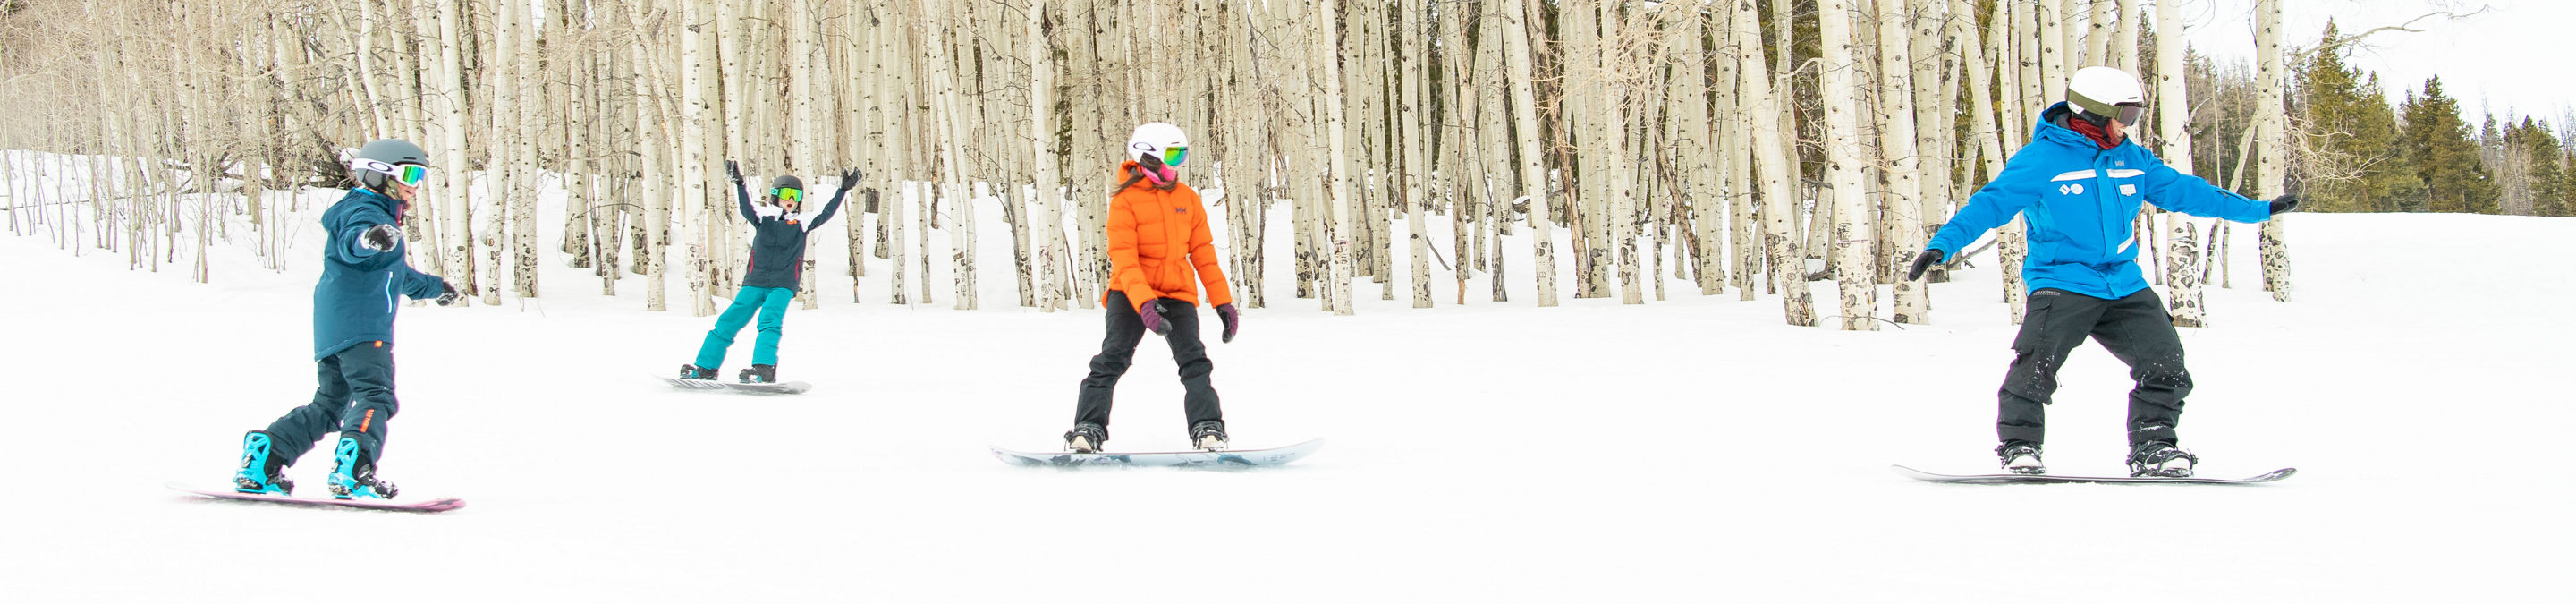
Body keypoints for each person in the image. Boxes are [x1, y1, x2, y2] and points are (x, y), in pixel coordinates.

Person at [1905, 66, 2298, 478]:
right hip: (2063, 280)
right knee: (2035, 364)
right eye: (2126, 115)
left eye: (2135, 115)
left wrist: (2259, 210)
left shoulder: (2132, 158)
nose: (2130, 125)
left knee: (2167, 366)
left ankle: (2154, 449)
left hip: (2123, 283)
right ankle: (2020, 446)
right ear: (2093, 113)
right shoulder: (2043, 159)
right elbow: (1990, 204)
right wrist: (1942, 245)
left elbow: (2186, 191)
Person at [233, 139, 461, 499]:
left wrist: (436, 288)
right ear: (380, 174)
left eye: (420, 177)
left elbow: (394, 273)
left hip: (336, 325)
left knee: (329, 405)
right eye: (410, 176)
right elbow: (354, 244)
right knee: (376, 396)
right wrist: (369, 240)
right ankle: (354, 472)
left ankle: (266, 456)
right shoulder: (367, 212)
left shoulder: (374, 215)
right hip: (363, 325)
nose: (415, 186)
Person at [1065, 123, 1241, 453]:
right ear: (1149, 156)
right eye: (1173, 156)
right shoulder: (1126, 201)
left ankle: (1208, 428)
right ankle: (1087, 429)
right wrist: (1145, 303)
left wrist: (1223, 301)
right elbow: (1124, 258)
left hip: (1176, 292)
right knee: (1112, 359)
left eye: (1182, 156)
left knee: (1195, 362)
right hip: (1130, 293)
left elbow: (1203, 252)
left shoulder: (1188, 199)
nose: (1178, 165)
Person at [677, 161, 853, 384]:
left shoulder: (802, 221)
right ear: (775, 195)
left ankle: (763, 369)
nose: (791, 199)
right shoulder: (763, 217)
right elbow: (745, 208)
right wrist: (740, 184)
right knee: (728, 321)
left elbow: (826, 213)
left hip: (782, 284)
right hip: (755, 281)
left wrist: (842, 190)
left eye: (796, 195)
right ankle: (705, 367)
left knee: (769, 320)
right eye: (787, 194)